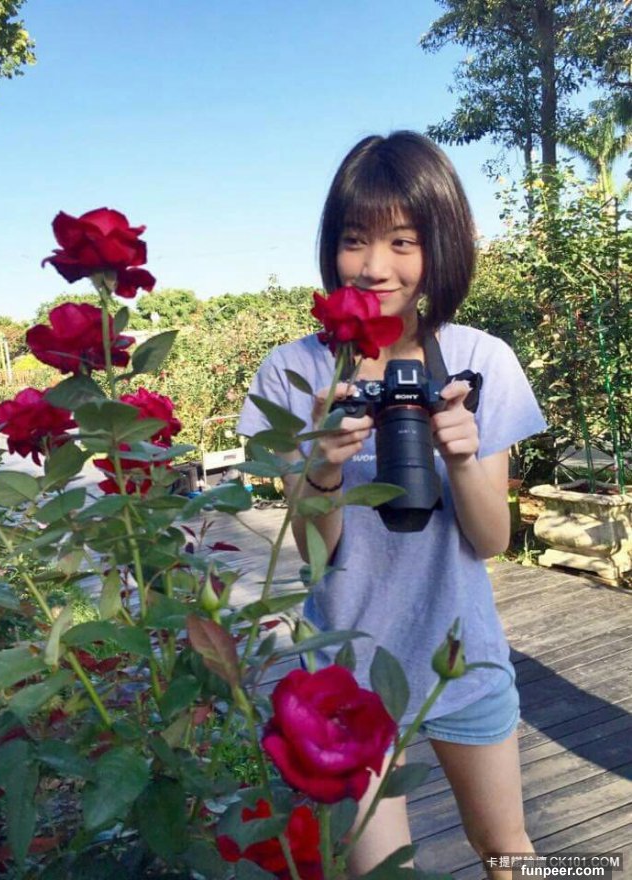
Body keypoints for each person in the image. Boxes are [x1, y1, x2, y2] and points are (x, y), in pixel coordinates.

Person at [237, 131, 547, 880]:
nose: (375, 266)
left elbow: (492, 540)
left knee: (512, 853)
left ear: (439, 246)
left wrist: (461, 456)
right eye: (355, 240)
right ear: (332, 247)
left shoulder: (481, 360)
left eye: (403, 241)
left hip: (461, 655)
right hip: (345, 674)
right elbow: (315, 552)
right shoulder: (293, 372)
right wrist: (322, 466)